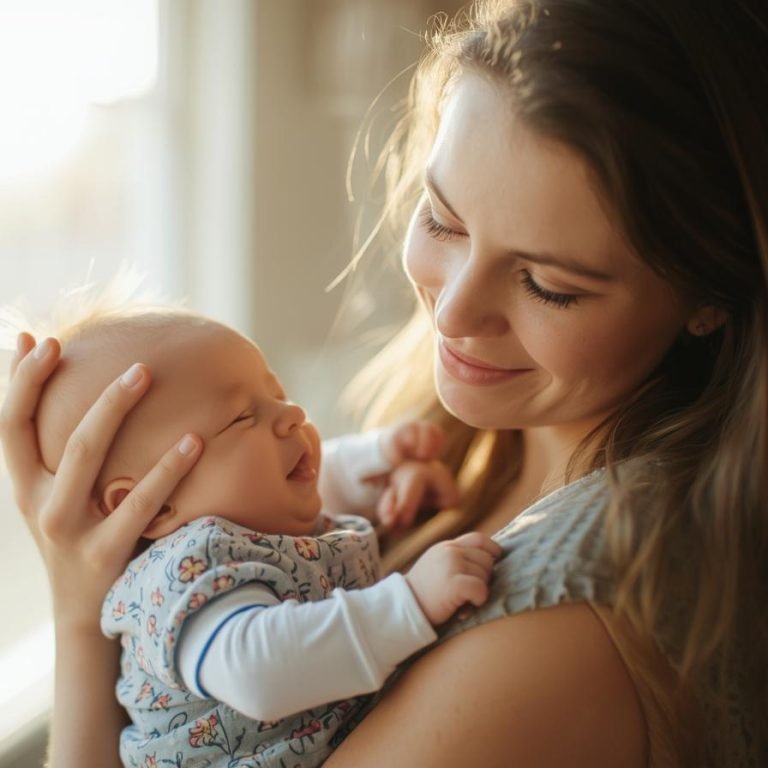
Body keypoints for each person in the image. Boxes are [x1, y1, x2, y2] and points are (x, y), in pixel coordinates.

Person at [1, 0, 766, 765]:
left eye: (548, 284)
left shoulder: (568, 624)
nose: (456, 312)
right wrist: (81, 596)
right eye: (442, 221)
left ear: (706, 298)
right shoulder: (456, 445)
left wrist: (80, 619)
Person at [28, 303, 499, 767]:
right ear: (153, 505)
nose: (292, 413)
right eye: (241, 417)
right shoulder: (181, 575)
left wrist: (376, 459)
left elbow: (313, 476)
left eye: (276, 392)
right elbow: (255, 670)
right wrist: (409, 604)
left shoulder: (247, 523)